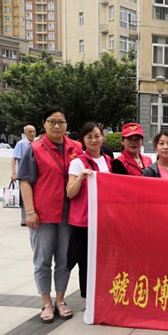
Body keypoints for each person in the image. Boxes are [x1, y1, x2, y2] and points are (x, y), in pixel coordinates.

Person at [18, 107, 83, 323]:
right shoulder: (34, 149)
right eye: (52, 121)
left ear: (66, 124)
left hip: (69, 214)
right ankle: (46, 302)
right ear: (44, 124)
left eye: (61, 122)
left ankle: (61, 300)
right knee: (43, 260)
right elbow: (25, 181)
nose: (57, 126)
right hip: (43, 214)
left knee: (64, 260)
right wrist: (30, 212)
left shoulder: (76, 147)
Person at [66, 123, 112, 299]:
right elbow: (70, 192)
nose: (94, 140)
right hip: (84, 222)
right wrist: (81, 178)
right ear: (83, 140)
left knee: (104, 260)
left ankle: (102, 297)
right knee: (85, 262)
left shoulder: (109, 161)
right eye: (89, 137)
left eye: (97, 136)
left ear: (103, 138)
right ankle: (89, 300)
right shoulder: (77, 163)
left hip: (104, 221)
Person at [11, 124, 37, 226]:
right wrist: (14, 172)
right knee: (25, 196)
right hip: (24, 174)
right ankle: (24, 218)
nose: (32, 133)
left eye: (34, 131)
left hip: (35, 173)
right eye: (30, 131)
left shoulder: (37, 143)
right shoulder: (21, 144)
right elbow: (14, 158)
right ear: (25, 133)